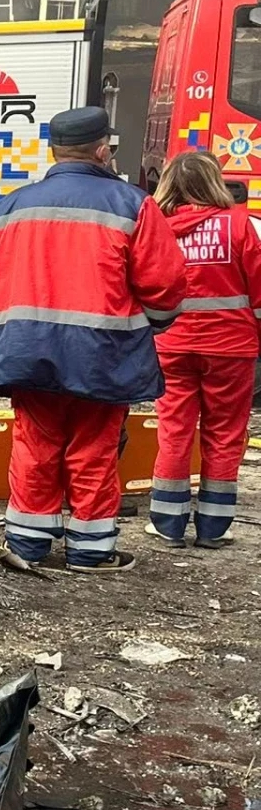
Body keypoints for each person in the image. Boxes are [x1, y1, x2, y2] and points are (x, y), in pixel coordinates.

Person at [0, 106, 188, 573]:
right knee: (94, 449)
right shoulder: (133, 205)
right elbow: (165, 287)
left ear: (54, 151)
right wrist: (145, 326)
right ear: (101, 150)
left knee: (34, 445)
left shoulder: (11, 206)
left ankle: (27, 545)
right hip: (102, 354)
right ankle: (91, 551)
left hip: (25, 352)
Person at [147, 151, 261, 548]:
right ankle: (214, 527)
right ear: (214, 182)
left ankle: (167, 522)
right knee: (226, 434)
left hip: (171, 346)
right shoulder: (240, 226)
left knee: (174, 431)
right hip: (231, 347)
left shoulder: (157, 228)